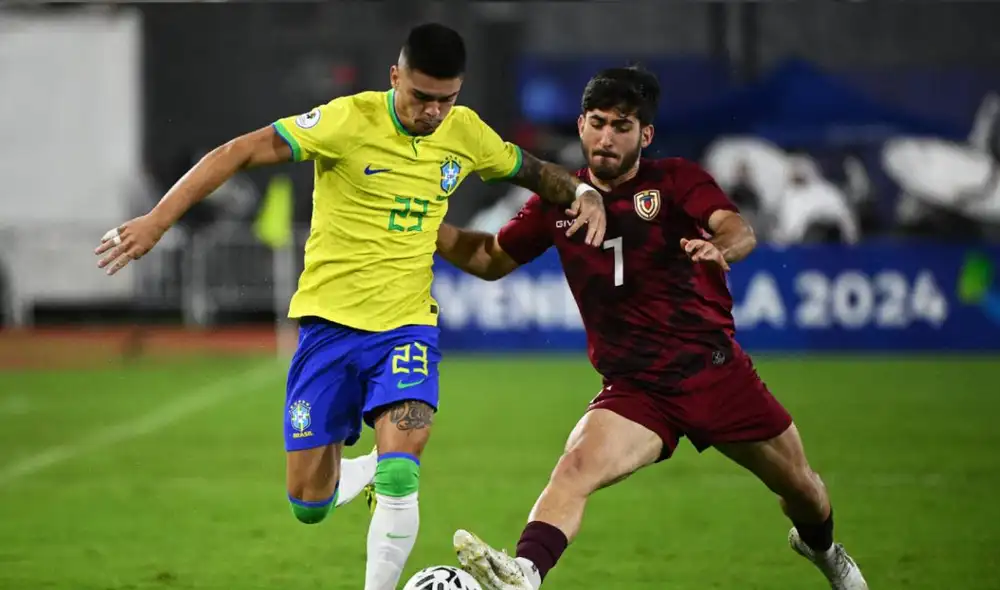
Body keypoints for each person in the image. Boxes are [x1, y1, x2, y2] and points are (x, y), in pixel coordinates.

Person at [93, 23, 607, 590]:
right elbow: (238, 151)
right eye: (421, 97)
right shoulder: (347, 120)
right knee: (308, 503)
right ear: (395, 78)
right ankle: (354, 472)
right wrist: (157, 221)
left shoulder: (466, 133)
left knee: (403, 468)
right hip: (329, 329)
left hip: (407, 325)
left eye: (446, 99)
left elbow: (533, 172)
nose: (434, 112)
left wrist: (583, 193)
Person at [435, 66, 868, 590]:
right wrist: (426, 229)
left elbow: (737, 227)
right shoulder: (558, 201)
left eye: (622, 126)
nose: (607, 137)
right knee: (574, 468)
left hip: (714, 373)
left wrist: (720, 247)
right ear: (580, 126)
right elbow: (489, 257)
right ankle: (524, 575)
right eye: (597, 123)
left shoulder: (676, 181)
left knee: (803, 489)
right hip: (637, 390)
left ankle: (823, 551)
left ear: (646, 135)